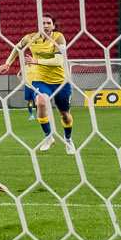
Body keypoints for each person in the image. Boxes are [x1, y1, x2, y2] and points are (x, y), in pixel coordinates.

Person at [10, 14, 78, 153]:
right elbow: (17, 47)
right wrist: (7, 63)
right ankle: (48, 137)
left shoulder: (59, 38)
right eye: (43, 23)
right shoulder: (31, 38)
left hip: (60, 82)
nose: (45, 26)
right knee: (41, 102)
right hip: (41, 80)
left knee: (65, 115)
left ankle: (68, 139)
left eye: (48, 23)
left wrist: (36, 61)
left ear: (53, 26)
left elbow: (58, 61)